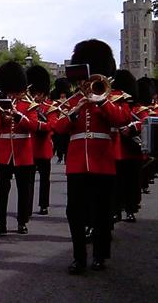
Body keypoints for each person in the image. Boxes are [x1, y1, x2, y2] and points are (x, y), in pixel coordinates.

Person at [54, 39, 128, 274]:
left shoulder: (115, 96)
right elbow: (59, 126)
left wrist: (101, 100)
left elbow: (120, 119)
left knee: (102, 212)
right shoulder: (75, 100)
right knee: (74, 211)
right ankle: (79, 257)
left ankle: (99, 255)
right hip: (77, 163)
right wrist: (75, 112)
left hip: (103, 160)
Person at [0, 61, 38, 237]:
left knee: (23, 190)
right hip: (4, 152)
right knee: (2, 190)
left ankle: (22, 221)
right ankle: (0, 222)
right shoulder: (1, 103)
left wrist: (18, 117)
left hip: (22, 152)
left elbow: (33, 126)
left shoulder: (29, 105)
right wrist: (3, 117)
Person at [109, 70, 141, 223]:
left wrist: (133, 128)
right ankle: (116, 209)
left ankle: (130, 209)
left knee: (131, 181)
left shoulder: (134, 103)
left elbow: (145, 121)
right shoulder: (113, 98)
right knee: (116, 182)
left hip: (131, 148)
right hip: (116, 146)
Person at [26, 66, 58, 216]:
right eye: (34, 93)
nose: (35, 96)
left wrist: (39, 123)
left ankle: (43, 205)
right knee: (29, 180)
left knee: (45, 179)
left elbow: (52, 125)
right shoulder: (29, 107)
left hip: (44, 146)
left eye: (38, 94)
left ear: (43, 93)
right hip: (31, 146)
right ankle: (27, 205)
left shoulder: (50, 108)